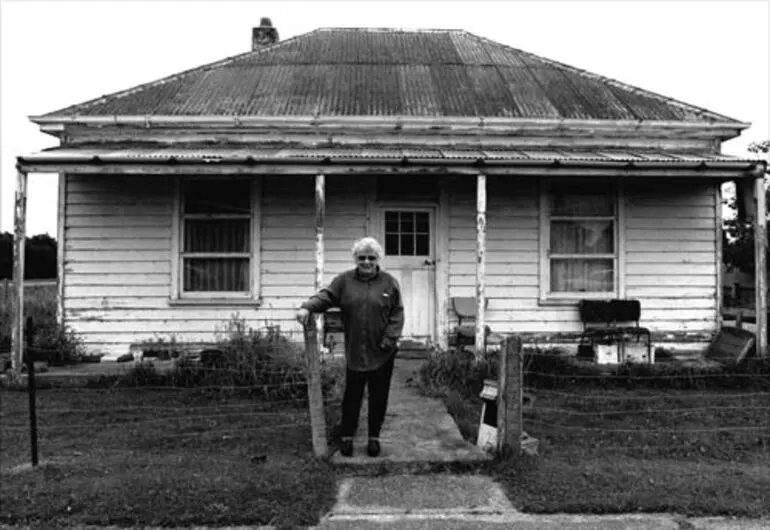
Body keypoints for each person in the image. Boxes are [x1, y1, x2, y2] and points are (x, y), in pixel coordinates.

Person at [296, 237, 404, 457]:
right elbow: (326, 297)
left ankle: (374, 437)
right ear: (356, 259)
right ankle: (347, 437)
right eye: (362, 257)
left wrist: (389, 341)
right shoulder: (344, 281)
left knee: (378, 395)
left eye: (371, 258)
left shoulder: (389, 283)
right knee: (352, 395)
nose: (366, 262)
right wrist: (307, 307)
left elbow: (397, 314)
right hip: (356, 351)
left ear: (377, 259)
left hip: (383, 352)